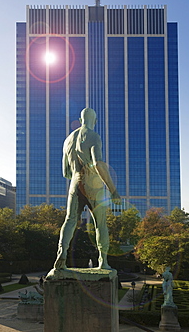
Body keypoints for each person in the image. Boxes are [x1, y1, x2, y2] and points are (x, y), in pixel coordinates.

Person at [52, 108, 121, 270]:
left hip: (75, 183)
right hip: (94, 186)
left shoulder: (67, 140)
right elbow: (98, 164)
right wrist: (113, 190)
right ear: (95, 121)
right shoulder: (93, 136)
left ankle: (61, 254)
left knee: (69, 220)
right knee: (100, 225)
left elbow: (65, 172)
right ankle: (103, 261)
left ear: (80, 119)